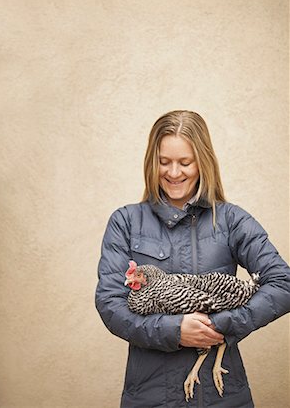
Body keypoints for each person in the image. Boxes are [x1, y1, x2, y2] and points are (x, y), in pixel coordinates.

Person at [95, 110, 290, 408]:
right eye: (164, 162)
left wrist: (220, 325)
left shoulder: (231, 220)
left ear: (203, 162)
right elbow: (110, 304)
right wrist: (174, 331)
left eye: (185, 162)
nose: (174, 173)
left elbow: (283, 284)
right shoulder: (126, 222)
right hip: (149, 396)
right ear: (151, 163)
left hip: (223, 397)